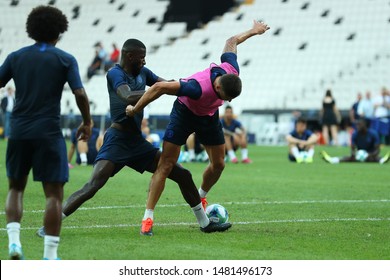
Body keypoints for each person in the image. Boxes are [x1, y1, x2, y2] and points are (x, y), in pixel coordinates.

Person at [36, 38, 231, 239]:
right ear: (129, 56)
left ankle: (205, 223)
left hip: (137, 143)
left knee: (183, 175)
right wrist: (157, 90)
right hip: (117, 140)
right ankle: (51, 224)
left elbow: (166, 84)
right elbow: (127, 96)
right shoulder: (114, 73)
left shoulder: (144, 73)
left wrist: (188, 86)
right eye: (141, 58)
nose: (144, 62)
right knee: (93, 185)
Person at [126, 20, 270, 234]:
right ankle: (147, 218)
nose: (228, 102)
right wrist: (135, 109)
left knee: (219, 164)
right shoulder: (195, 88)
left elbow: (231, 41)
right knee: (165, 165)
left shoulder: (230, 70)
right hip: (184, 114)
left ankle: (200, 196)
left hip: (208, 116)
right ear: (218, 86)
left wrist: (254, 31)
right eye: (225, 97)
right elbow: (159, 87)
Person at [0, 5, 92, 260]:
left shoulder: (15, 57)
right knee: (53, 194)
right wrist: (87, 121)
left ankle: (14, 243)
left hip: (18, 130)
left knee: (15, 188)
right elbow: (80, 93)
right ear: (60, 30)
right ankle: (50, 255)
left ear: (31, 29)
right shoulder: (64, 59)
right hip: (49, 132)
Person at [321, 119, 390, 164]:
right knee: (349, 158)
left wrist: (369, 155)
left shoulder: (373, 134)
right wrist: (355, 154)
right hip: (360, 153)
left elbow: (377, 150)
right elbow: (352, 148)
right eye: (357, 125)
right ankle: (332, 160)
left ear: (365, 125)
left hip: (371, 154)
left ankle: (383, 160)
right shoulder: (355, 134)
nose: (357, 126)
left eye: (359, 125)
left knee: (374, 158)